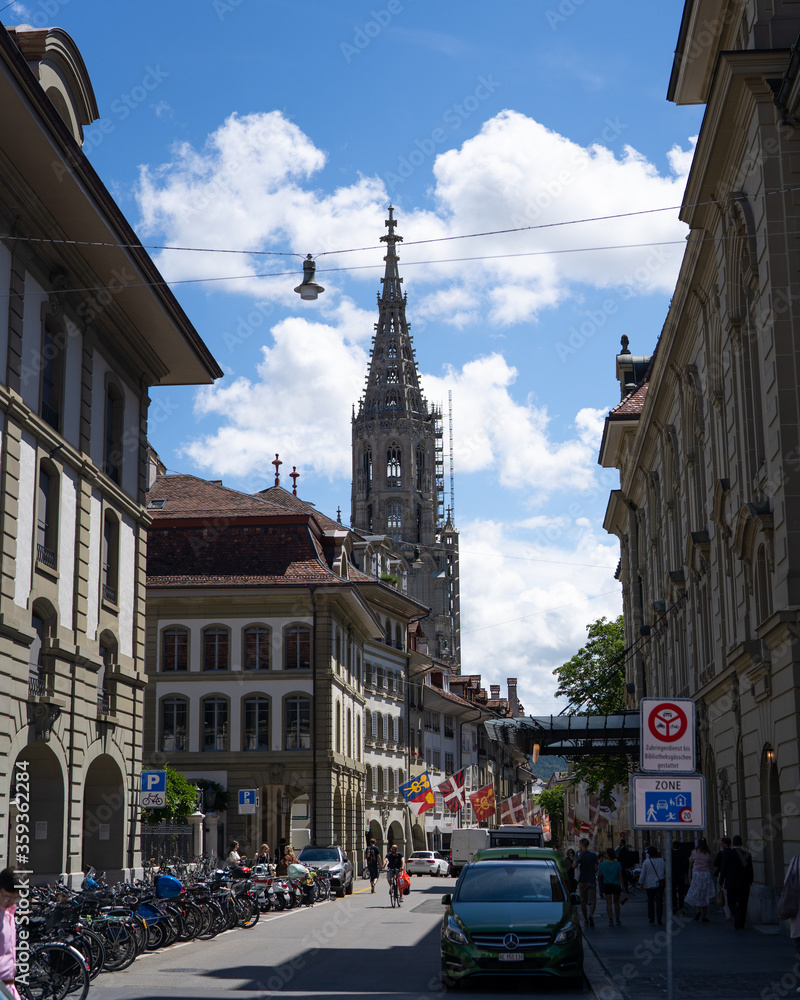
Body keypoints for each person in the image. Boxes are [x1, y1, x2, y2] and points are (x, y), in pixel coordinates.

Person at [720, 835, 754, 930]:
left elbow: (724, 869)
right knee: (743, 903)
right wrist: (750, 880)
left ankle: (737, 916)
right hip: (744, 883)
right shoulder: (746, 854)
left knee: (731, 901)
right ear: (741, 843)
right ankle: (741, 923)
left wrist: (721, 881)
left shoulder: (728, 854)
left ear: (732, 844)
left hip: (731, 882)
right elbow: (750, 870)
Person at [0, 868, 21, 1000]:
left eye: (15, 898)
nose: (11, 901)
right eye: (7, 896)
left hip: (7, 986)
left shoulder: (9, 912)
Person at [685, 838, 716, 922]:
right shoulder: (708, 853)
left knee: (697, 892)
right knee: (705, 894)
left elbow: (691, 862)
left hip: (696, 874)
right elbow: (711, 864)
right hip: (705, 874)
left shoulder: (694, 852)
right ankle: (704, 915)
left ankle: (698, 910)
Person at [573, 838, 599, 928]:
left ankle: (585, 920)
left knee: (583, 901)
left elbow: (574, 865)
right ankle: (591, 914)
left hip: (582, 880)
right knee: (593, 900)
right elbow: (596, 868)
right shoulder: (593, 855)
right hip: (591, 880)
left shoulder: (579, 855)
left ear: (581, 845)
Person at [639, 847, 666, 925]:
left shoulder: (646, 862)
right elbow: (666, 871)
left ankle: (651, 917)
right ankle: (659, 918)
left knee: (650, 900)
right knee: (659, 901)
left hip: (649, 883)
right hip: (660, 883)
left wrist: (641, 883)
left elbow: (643, 873)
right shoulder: (661, 861)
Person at [599, 847, 625, 927]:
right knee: (616, 903)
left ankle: (610, 920)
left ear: (607, 855)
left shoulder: (603, 864)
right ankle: (617, 919)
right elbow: (620, 876)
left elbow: (600, 875)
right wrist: (623, 886)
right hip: (616, 884)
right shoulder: (618, 864)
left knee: (609, 903)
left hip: (607, 884)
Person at [714, 837, 733, 920]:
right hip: (732, 875)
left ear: (725, 844)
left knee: (724, 894)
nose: (721, 845)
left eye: (722, 843)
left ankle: (728, 914)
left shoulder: (722, 853)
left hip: (723, 875)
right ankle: (732, 912)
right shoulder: (733, 852)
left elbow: (715, 864)